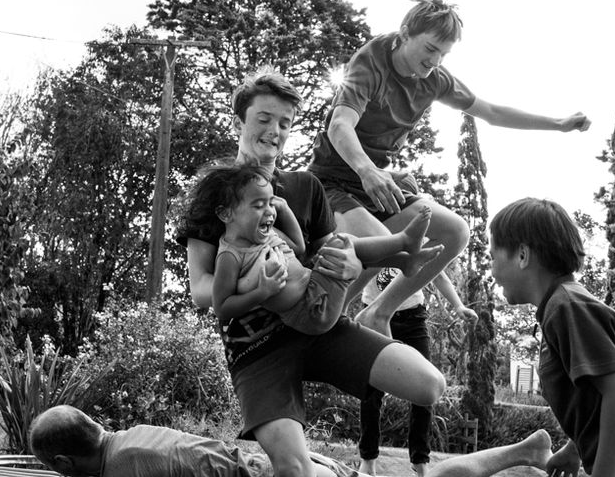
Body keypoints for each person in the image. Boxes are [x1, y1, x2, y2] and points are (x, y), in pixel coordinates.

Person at [177, 69, 446, 477]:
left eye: (285, 123)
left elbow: (333, 255)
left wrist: (360, 263)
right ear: (240, 121)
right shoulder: (216, 193)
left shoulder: (305, 188)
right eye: (264, 118)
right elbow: (201, 290)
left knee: (429, 385)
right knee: (294, 470)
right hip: (258, 351)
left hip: (318, 326)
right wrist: (259, 284)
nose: (275, 131)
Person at [308, 0, 592, 336]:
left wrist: (559, 124)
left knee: (455, 230)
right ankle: (322, 316)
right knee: (384, 241)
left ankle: (378, 312)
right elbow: (339, 126)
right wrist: (367, 170)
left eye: (444, 54)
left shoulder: (435, 80)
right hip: (334, 182)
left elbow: (492, 112)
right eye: (430, 49)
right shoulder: (372, 61)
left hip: (377, 185)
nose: (435, 61)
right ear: (404, 35)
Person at [488, 197, 615, 477]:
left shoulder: (567, 306)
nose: (492, 271)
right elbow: (592, 398)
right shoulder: (559, 307)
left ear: (522, 255)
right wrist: (574, 449)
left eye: (492, 257)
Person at [200, 163, 442, 335]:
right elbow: (222, 308)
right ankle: (403, 243)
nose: (269, 212)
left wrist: (285, 211)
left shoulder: (268, 234)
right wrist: (261, 293)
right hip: (312, 312)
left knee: (338, 244)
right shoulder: (230, 256)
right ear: (226, 214)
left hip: (314, 286)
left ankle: (404, 258)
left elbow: (299, 248)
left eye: (270, 203)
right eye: (258, 205)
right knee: (341, 243)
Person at [28, 405, 555, 477]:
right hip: (279, 462)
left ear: (61, 460)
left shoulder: (125, 468)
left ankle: (523, 452)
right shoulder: (128, 439)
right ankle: (525, 453)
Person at [357, 270, 477, 476]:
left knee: (424, 389)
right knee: (371, 390)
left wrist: (458, 305)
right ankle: (368, 459)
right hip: (373, 314)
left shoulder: (417, 239)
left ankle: (420, 460)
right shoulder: (371, 237)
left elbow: (438, 274)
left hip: (413, 318)